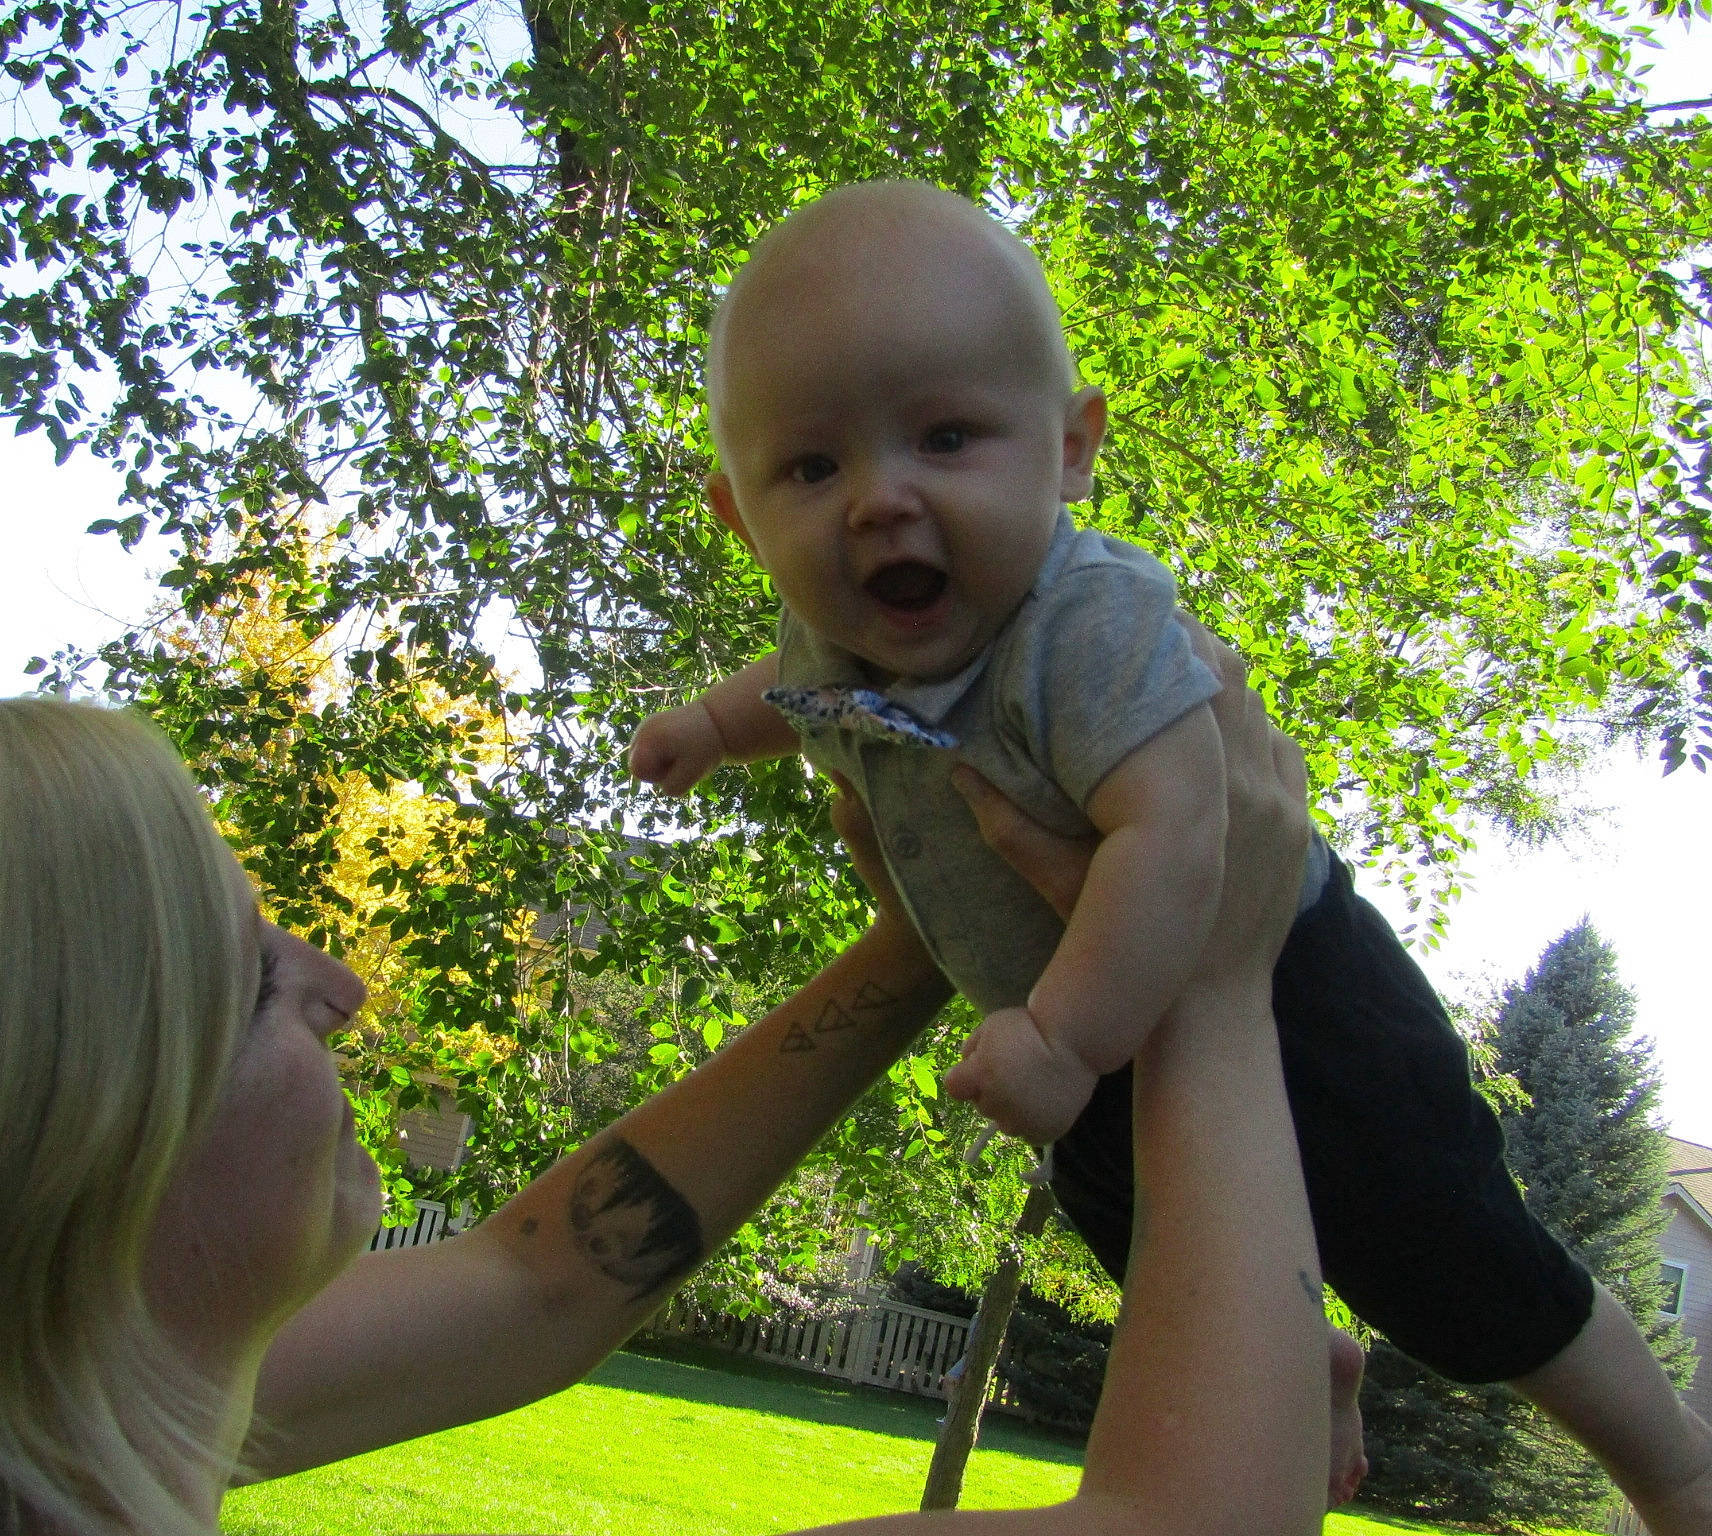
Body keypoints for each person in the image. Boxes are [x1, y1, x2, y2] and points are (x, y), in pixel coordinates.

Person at [0, 651, 1337, 1536]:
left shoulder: (11, 1398)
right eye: (251, 976)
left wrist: (917, 947)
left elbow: (539, 1276)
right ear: (57, 1155)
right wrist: (1208, 977)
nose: (342, 984)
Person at [627, 177, 1712, 1529]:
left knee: (1455, 1260)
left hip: (1295, 988)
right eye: (812, 468)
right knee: (1157, 1262)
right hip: (1082, 1042)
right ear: (740, 517)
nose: (878, 501)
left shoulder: (1084, 624)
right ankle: (1301, 1362)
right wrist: (703, 732)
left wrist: (1069, 1037)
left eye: (947, 437)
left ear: (1070, 452)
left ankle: (1672, 1460)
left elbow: (1174, 830)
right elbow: (778, 699)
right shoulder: (832, 641)